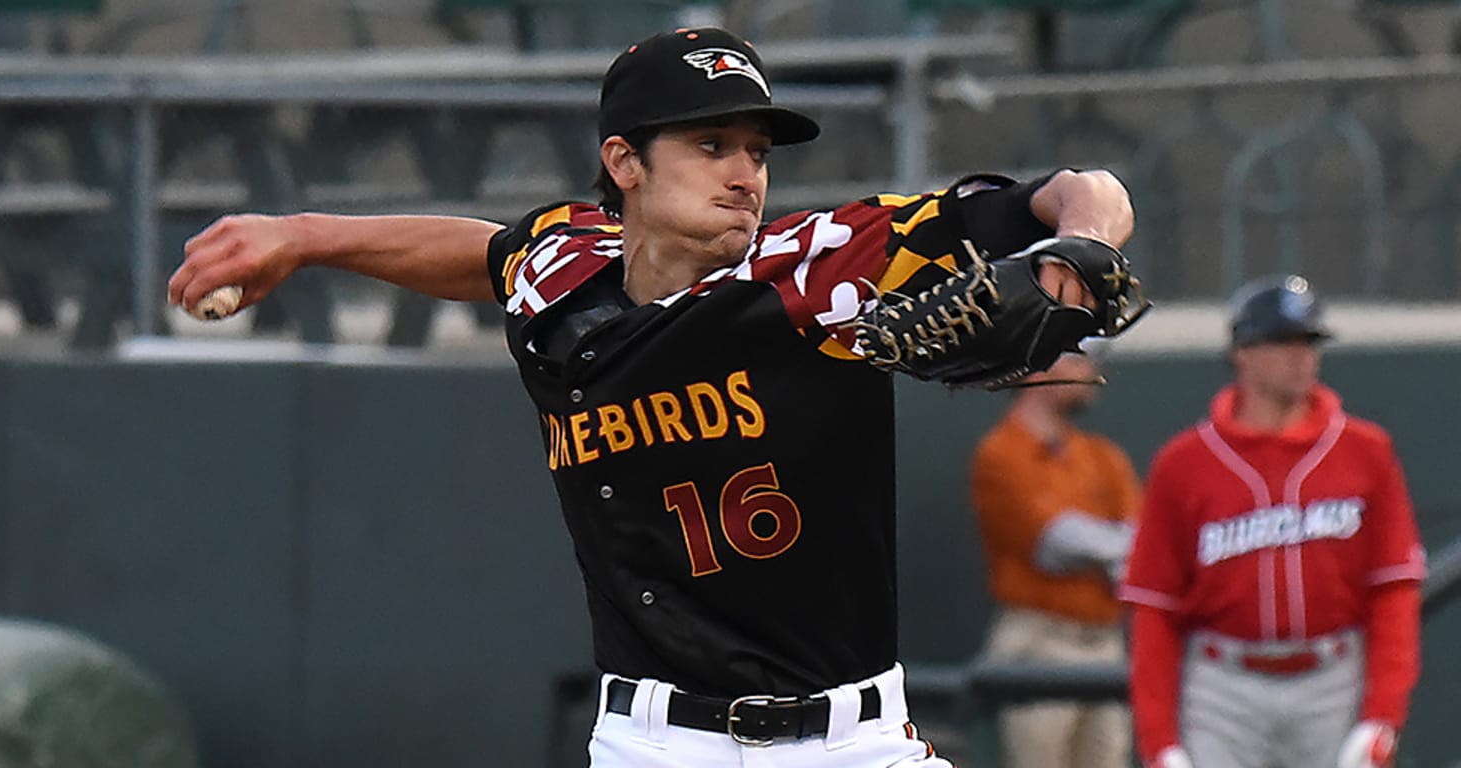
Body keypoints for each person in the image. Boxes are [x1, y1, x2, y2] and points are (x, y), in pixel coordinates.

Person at [169, 27, 1145, 768]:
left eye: (758, 151)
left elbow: (1081, 187)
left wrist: (1081, 248)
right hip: (656, 742)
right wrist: (300, 235)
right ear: (625, 165)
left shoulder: (818, 265)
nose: (745, 175)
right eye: (711, 145)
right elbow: (482, 253)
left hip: (850, 740)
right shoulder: (561, 265)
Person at [1121, 274, 1425, 768]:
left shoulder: (1365, 451)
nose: (1301, 356)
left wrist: (1382, 715)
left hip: (1332, 678)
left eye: (1309, 342)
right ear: (1242, 352)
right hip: (1223, 685)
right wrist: (1160, 743)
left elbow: (1393, 589)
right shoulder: (1183, 463)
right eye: (1284, 342)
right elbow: (1154, 607)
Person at [969, 343, 1140, 768]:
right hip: (1040, 641)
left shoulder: (1102, 456)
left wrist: (1113, 550)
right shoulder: (1000, 453)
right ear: (1038, 368)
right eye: (1079, 358)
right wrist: (1114, 550)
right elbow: (1055, 545)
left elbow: (1143, 544)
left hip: (1105, 642)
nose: (1092, 371)